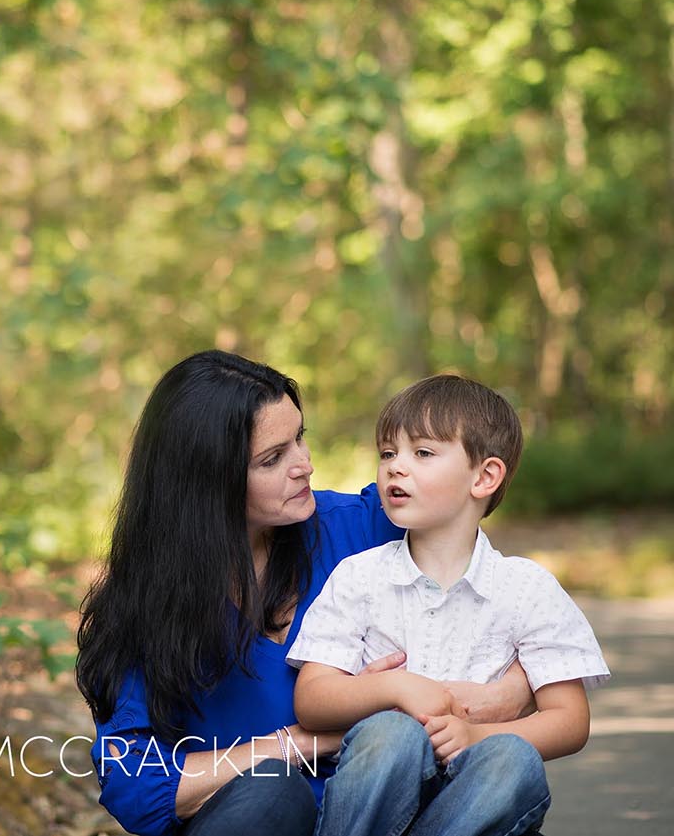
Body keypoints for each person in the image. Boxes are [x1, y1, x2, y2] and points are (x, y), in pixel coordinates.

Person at [76, 352, 533, 836]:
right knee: (273, 788)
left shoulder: (369, 529)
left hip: (400, 820)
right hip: (251, 822)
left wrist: (507, 691)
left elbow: (502, 609)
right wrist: (306, 740)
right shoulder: (146, 606)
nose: (305, 466)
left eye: (300, 438)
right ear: (207, 483)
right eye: (273, 459)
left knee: (509, 781)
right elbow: (135, 789)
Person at [289, 374, 610, 836]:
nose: (395, 467)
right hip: (373, 797)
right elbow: (313, 700)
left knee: (513, 759)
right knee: (392, 735)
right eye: (387, 453)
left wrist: (474, 735)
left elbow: (570, 721)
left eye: (422, 453)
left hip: (474, 800)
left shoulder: (526, 588)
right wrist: (398, 688)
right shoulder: (360, 576)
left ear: (484, 476)